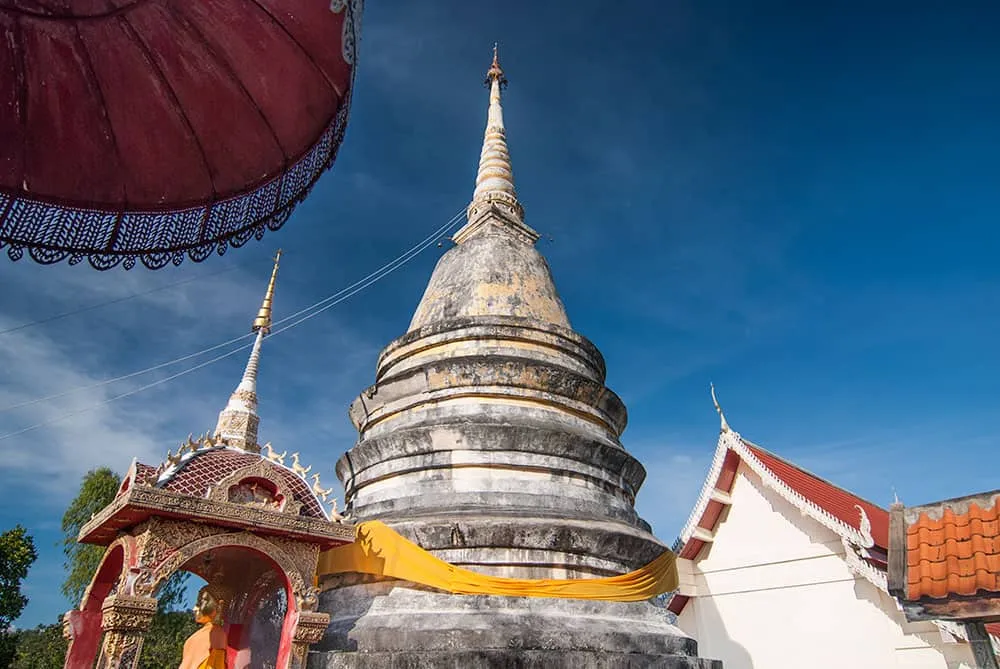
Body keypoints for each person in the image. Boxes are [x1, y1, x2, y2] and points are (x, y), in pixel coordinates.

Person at [178, 586, 228, 669]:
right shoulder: (198, 636)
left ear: (219, 605)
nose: (194, 609)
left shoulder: (215, 635)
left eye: (200, 603)